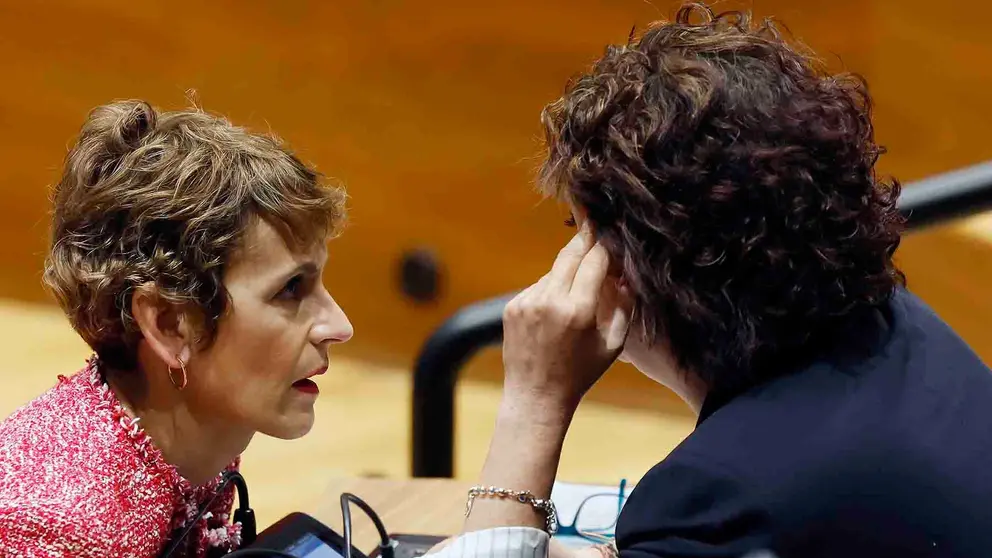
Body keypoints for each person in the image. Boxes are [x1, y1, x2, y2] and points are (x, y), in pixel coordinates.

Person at [429, 4, 992, 558]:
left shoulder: (713, 501)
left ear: (623, 269)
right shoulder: (899, 325)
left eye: (578, 230)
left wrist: (533, 403)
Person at [0, 100, 354, 557]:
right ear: (170, 325)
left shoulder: (191, 439)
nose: (339, 326)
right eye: (289, 289)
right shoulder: (59, 529)